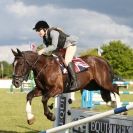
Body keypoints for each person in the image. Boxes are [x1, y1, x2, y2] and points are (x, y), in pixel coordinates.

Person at [33, 20, 78, 91]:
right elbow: (46, 49)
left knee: (66, 61)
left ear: (45, 29)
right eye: (37, 31)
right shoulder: (45, 37)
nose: (38, 33)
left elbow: (53, 47)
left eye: (39, 30)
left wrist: (42, 50)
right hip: (61, 47)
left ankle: (75, 82)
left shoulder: (53, 33)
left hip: (70, 45)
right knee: (52, 59)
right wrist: (37, 52)